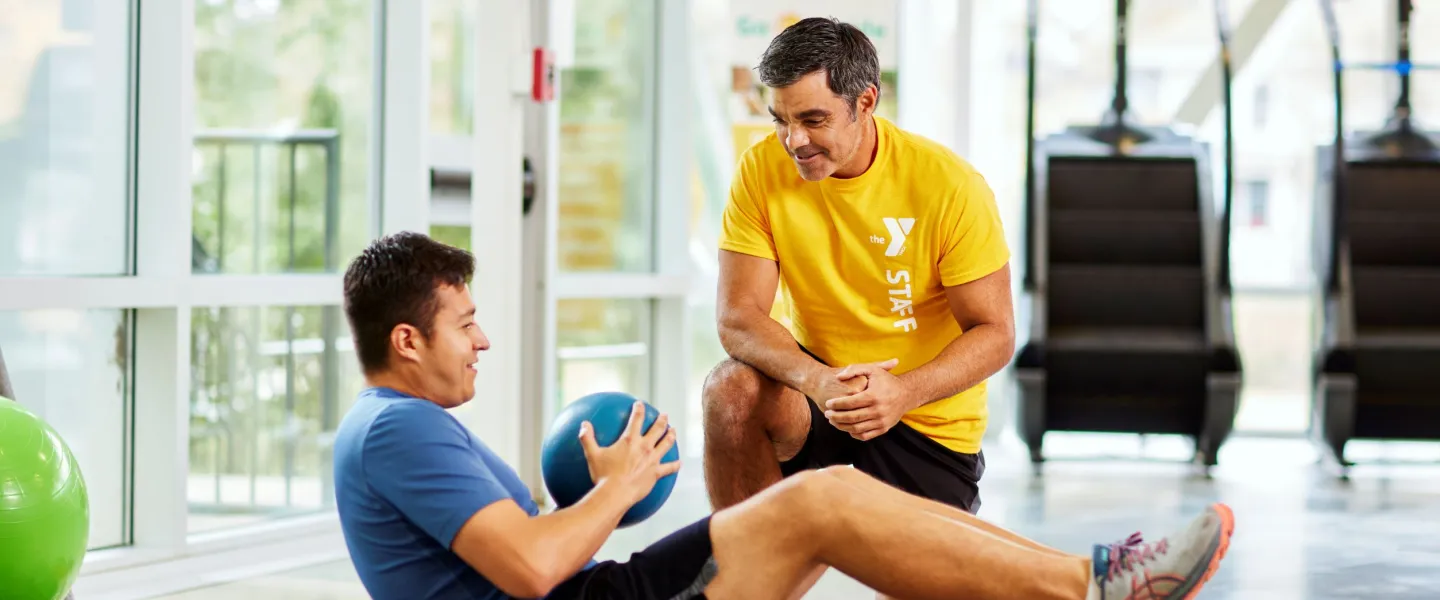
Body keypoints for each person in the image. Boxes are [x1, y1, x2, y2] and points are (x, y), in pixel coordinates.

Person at [332, 232, 1235, 600]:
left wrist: (591, 507)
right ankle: (1096, 585)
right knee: (819, 501)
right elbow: (531, 569)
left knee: (830, 493)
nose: (482, 340)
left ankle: (1102, 576)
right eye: (465, 323)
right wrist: (617, 489)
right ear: (407, 341)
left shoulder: (397, 428)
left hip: (604, 593)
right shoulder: (397, 429)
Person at [703, 16, 1013, 515]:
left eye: (813, 119)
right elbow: (738, 315)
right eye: (781, 119)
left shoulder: (950, 185)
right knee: (731, 390)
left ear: (865, 102)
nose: (793, 141)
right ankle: (747, 573)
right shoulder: (761, 169)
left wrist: (903, 391)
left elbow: (995, 333)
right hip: (817, 393)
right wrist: (815, 379)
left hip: (921, 412)